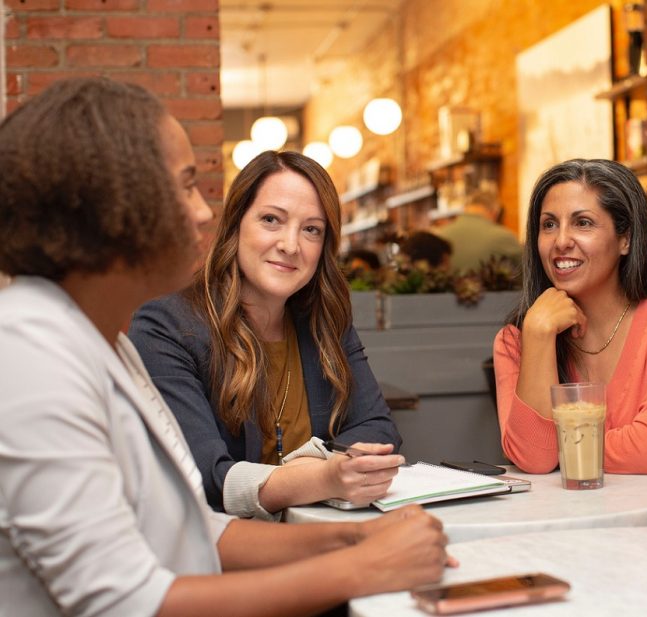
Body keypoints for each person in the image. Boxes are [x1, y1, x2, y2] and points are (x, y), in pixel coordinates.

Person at [0, 77, 450, 617]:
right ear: (108, 205)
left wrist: (356, 540)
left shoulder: (100, 341)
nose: (202, 214)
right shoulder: (27, 352)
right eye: (186, 186)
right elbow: (122, 602)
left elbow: (197, 530)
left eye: (311, 230)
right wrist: (360, 567)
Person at [129, 151, 402, 520]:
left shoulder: (325, 320)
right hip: (223, 555)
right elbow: (204, 476)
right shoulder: (166, 328)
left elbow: (379, 429)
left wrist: (316, 472)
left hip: (321, 540)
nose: (291, 245)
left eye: (311, 229)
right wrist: (322, 477)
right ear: (236, 224)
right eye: (272, 220)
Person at [493, 159, 647, 526]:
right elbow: (535, 460)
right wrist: (538, 335)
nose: (561, 241)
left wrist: (560, 448)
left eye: (583, 223)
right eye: (548, 225)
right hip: (579, 543)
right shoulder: (517, 340)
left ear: (625, 239)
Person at [435, 189, 521, 271]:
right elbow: (527, 274)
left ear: (466, 209)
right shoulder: (503, 237)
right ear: (495, 212)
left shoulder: (441, 235)